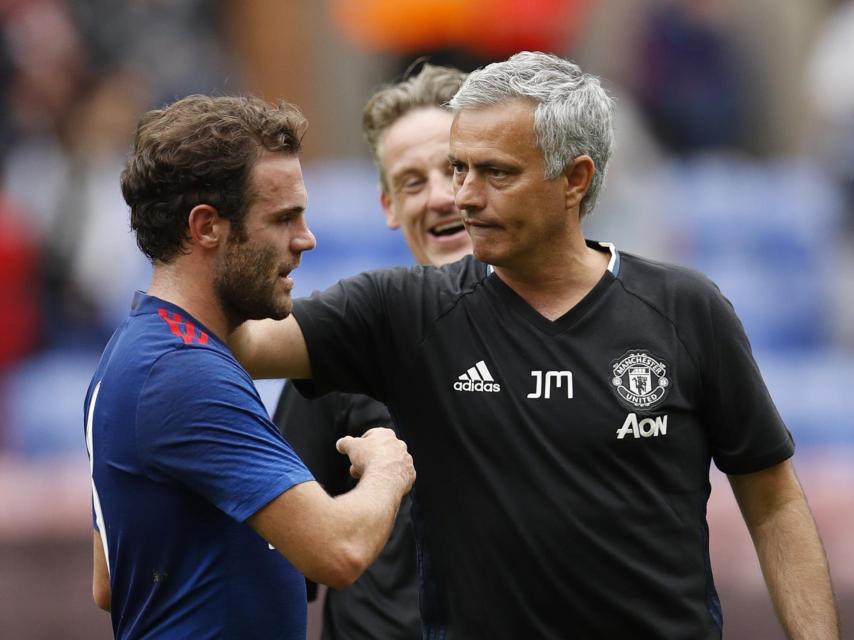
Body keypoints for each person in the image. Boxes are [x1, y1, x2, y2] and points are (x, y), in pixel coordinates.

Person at [233, 53, 840, 639]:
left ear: (575, 179)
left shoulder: (686, 309)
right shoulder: (401, 311)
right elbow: (240, 344)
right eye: (459, 168)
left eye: (494, 173)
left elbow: (773, 501)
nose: (463, 196)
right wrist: (231, 221)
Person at [83, 95, 415, 639]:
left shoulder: (141, 349)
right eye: (283, 218)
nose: (306, 239)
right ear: (206, 226)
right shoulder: (183, 373)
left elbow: (109, 581)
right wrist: (388, 466)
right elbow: (339, 551)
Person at [274, 63, 469, 639]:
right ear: (388, 205)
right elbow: (281, 564)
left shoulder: (568, 341)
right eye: (412, 181)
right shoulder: (339, 348)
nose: (438, 198)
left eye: (455, 171)